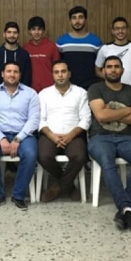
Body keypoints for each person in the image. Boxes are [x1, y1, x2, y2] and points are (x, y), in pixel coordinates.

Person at [87, 56, 131, 234]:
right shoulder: (95, 89)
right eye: (109, 67)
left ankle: (125, 209)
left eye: (116, 67)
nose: (113, 70)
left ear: (122, 70)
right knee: (107, 162)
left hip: (126, 138)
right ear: (103, 71)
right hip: (100, 137)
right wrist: (128, 110)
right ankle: (128, 209)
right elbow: (101, 116)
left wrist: (111, 112)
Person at [0, 62, 40, 211]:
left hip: (24, 135)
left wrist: (18, 138)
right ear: (2, 74)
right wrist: (1, 138)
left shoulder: (31, 93)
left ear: (20, 75)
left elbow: (34, 119)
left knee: (30, 154)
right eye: (9, 71)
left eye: (15, 71)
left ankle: (19, 195)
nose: (12, 74)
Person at [37, 60, 90, 202]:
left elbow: (85, 119)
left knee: (79, 156)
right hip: (50, 134)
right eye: (56, 72)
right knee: (43, 156)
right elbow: (40, 119)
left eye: (63, 71)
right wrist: (52, 136)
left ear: (69, 74)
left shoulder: (81, 93)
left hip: (74, 135)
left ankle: (57, 188)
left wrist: (70, 136)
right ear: (53, 75)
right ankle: (69, 186)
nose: (60, 75)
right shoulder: (44, 94)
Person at [56, 6, 102, 90]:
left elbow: (99, 66)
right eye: (74, 18)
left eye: (80, 17)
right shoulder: (62, 42)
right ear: (70, 20)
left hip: (90, 87)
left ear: (85, 19)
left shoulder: (95, 42)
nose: (77, 21)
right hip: (68, 87)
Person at [95, 17, 131, 89]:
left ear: (127, 30)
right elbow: (97, 71)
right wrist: (111, 78)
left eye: (123, 28)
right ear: (113, 31)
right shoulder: (105, 48)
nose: (120, 31)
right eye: (117, 28)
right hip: (111, 90)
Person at [23, 16, 60, 93]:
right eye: (33, 29)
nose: (36, 32)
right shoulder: (25, 48)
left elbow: (57, 68)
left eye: (39, 29)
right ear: (29, 31)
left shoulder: (52, 46)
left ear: (43, 31)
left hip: (49, 90)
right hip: (30, 91)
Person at [0, 22, 32, 88]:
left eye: (15, 33)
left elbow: (27, 78)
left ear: (18, 35)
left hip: (20, 92)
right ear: (4, 34)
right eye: (9, 32)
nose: (12, 35)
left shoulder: (24, 55)